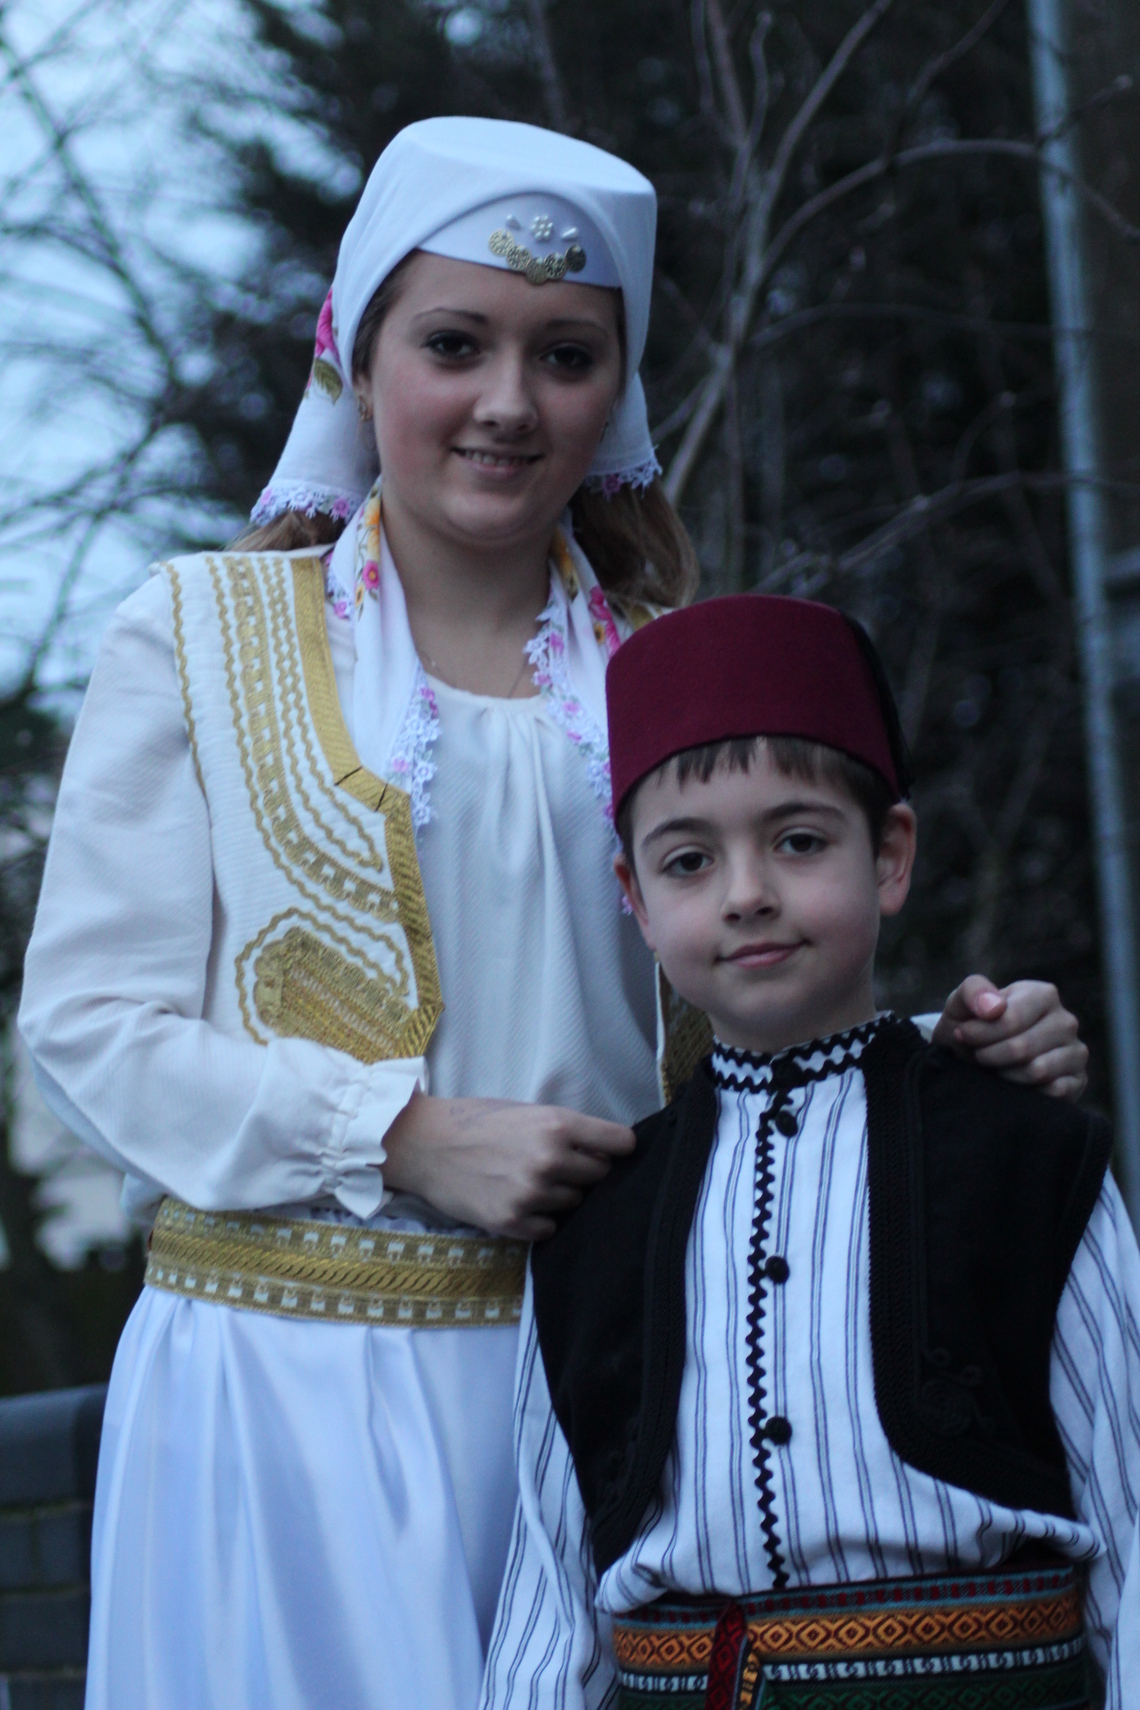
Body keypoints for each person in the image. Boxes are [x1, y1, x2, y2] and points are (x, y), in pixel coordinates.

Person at [18, 115, 1088, 1710]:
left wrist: (948, 1055)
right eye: (455, 343)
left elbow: (739, 986)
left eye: (567, 354)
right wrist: (399, 1134)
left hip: (621, 1383)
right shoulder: (195, 634)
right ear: (358, 353)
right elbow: (90, 1027)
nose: (510, 402)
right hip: (281, 1397)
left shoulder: (668, 674)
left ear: (618, 385)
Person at [481, 594, 1140, 1710]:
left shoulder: (1028, 1158)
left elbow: (1132, 1523)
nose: (747, 895)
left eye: (798, 841)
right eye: (689, 862)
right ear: (634, 898)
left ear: (889, 856)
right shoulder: (593, 1220)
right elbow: (551, 1597)